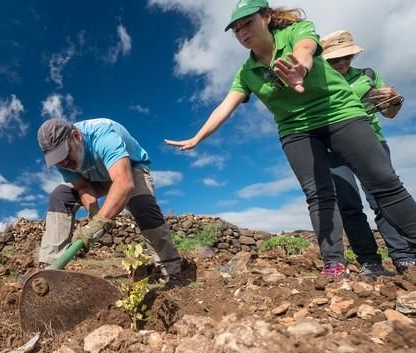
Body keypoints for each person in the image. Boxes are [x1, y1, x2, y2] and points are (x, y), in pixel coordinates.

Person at [165, 0, 416, 276]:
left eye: (247, 23)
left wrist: (300, 69)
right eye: (236, 29)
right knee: (318, 195)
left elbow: (305, 49)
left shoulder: (298, 31)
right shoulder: (246, 73)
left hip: (339, 113)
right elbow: (225, 106)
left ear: (268, 17)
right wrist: (197, 138)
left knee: (383, 182)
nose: (242, 32)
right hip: (295, 130)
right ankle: (334, 263)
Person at [36, 117, 183, 279]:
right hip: (94, 178)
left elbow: (124, 183)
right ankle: (49, 271)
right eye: (57, 159)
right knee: (60, 197)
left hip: (130, 169)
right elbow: (83, 187)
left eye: (65, 154)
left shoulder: (104, 137)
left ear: (76, 136)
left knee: (142, 205)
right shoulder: (61, 162)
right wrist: (94, 213)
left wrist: (100, 223)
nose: (63, 162)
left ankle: (171, 268)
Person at [321, 30, 415, 275]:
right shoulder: (318, 84)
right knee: (349, 205)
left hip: (372, 142)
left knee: (382, 200)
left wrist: (394, 100)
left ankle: (404, 258)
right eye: (335, 60)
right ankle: (369, 262)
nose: (342, 63)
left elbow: (389, 113)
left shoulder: (368, 75)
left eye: (347, 57)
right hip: (334, 149)